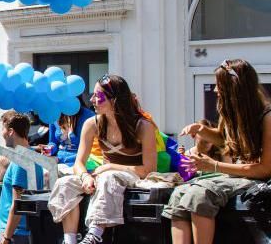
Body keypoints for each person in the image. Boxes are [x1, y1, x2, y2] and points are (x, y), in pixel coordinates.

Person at [165, 59, 271, 244]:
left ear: (234, 88)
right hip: (240, 176)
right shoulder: (232, 112)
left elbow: (264, 170)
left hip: (257, 180)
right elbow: (226, 141)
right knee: (179, 194)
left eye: (219, 85)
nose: (215, 90)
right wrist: (201, 129)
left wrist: (213, 165)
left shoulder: (267, 117)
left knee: (200, 195)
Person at [48, 75, 157, 244]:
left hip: (133, 175)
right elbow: (79, 163)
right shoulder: (92, 124)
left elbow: (149, 169)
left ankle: (95, 235)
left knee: (108, 177)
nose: (92, 99)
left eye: (98, 96)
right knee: (65, 182)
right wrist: (85, 177)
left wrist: (110, 166)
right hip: (104, 174)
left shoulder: (143, 126)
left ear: (114, 100)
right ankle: (69, 239)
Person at [0, 112, 45, 244]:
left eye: (3, 129)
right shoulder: (32, 156)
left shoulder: (20, 160)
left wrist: (6, 237)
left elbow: (19, 204)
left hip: (14, 233)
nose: (2, 133)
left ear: (10, 131)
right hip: (21, 232)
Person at [39, 97, 96, 167]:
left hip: (80, 163)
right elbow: (53, 142)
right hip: (58, 160)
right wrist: (49, 149)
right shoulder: (55, 114)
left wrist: (60, 160)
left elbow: (91, 150)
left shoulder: (88, 116)